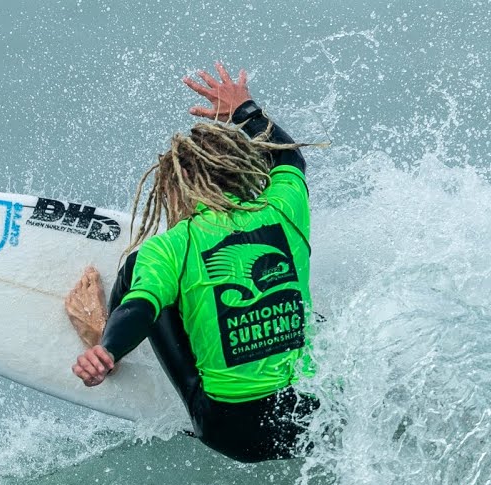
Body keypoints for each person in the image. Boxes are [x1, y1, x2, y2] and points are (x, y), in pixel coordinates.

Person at [65, 62, 320, 463]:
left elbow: (141, 307)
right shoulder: (286, 209)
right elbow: (291, 162)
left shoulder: (171, 246)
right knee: (312, 316)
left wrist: (109, 349)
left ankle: (101, 339)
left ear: (179, 177)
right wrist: (244, 109)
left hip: (233, 434)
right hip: (311, 422)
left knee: (142, 274)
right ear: (243, 167)